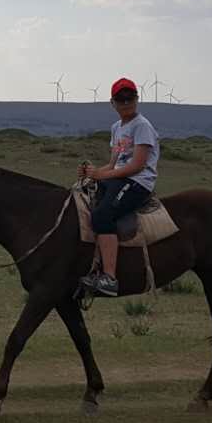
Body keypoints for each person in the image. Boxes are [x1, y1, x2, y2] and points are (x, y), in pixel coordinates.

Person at [77, 78, 160, 297]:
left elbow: (136, 165)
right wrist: (92, 174)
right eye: (121, 99)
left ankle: (110, 278)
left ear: (137, 99)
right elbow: (114, 164)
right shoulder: (117, 128)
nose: (126, 102)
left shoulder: (142, 126)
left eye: (130, 97)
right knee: (82, 196)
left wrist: (102, 175)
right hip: (120, 178)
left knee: (102, 216)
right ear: (112, 103)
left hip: (137, 182)